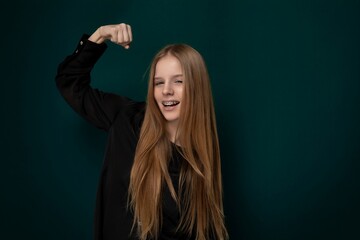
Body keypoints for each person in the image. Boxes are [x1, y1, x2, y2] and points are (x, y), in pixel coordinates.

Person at [56, 23, 228, 240]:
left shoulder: (200, 158)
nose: (166, 90)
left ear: (197, 87)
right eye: (158, 82)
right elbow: (69, 82)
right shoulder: (126, 118)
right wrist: (100, 35)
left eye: (178, 81)